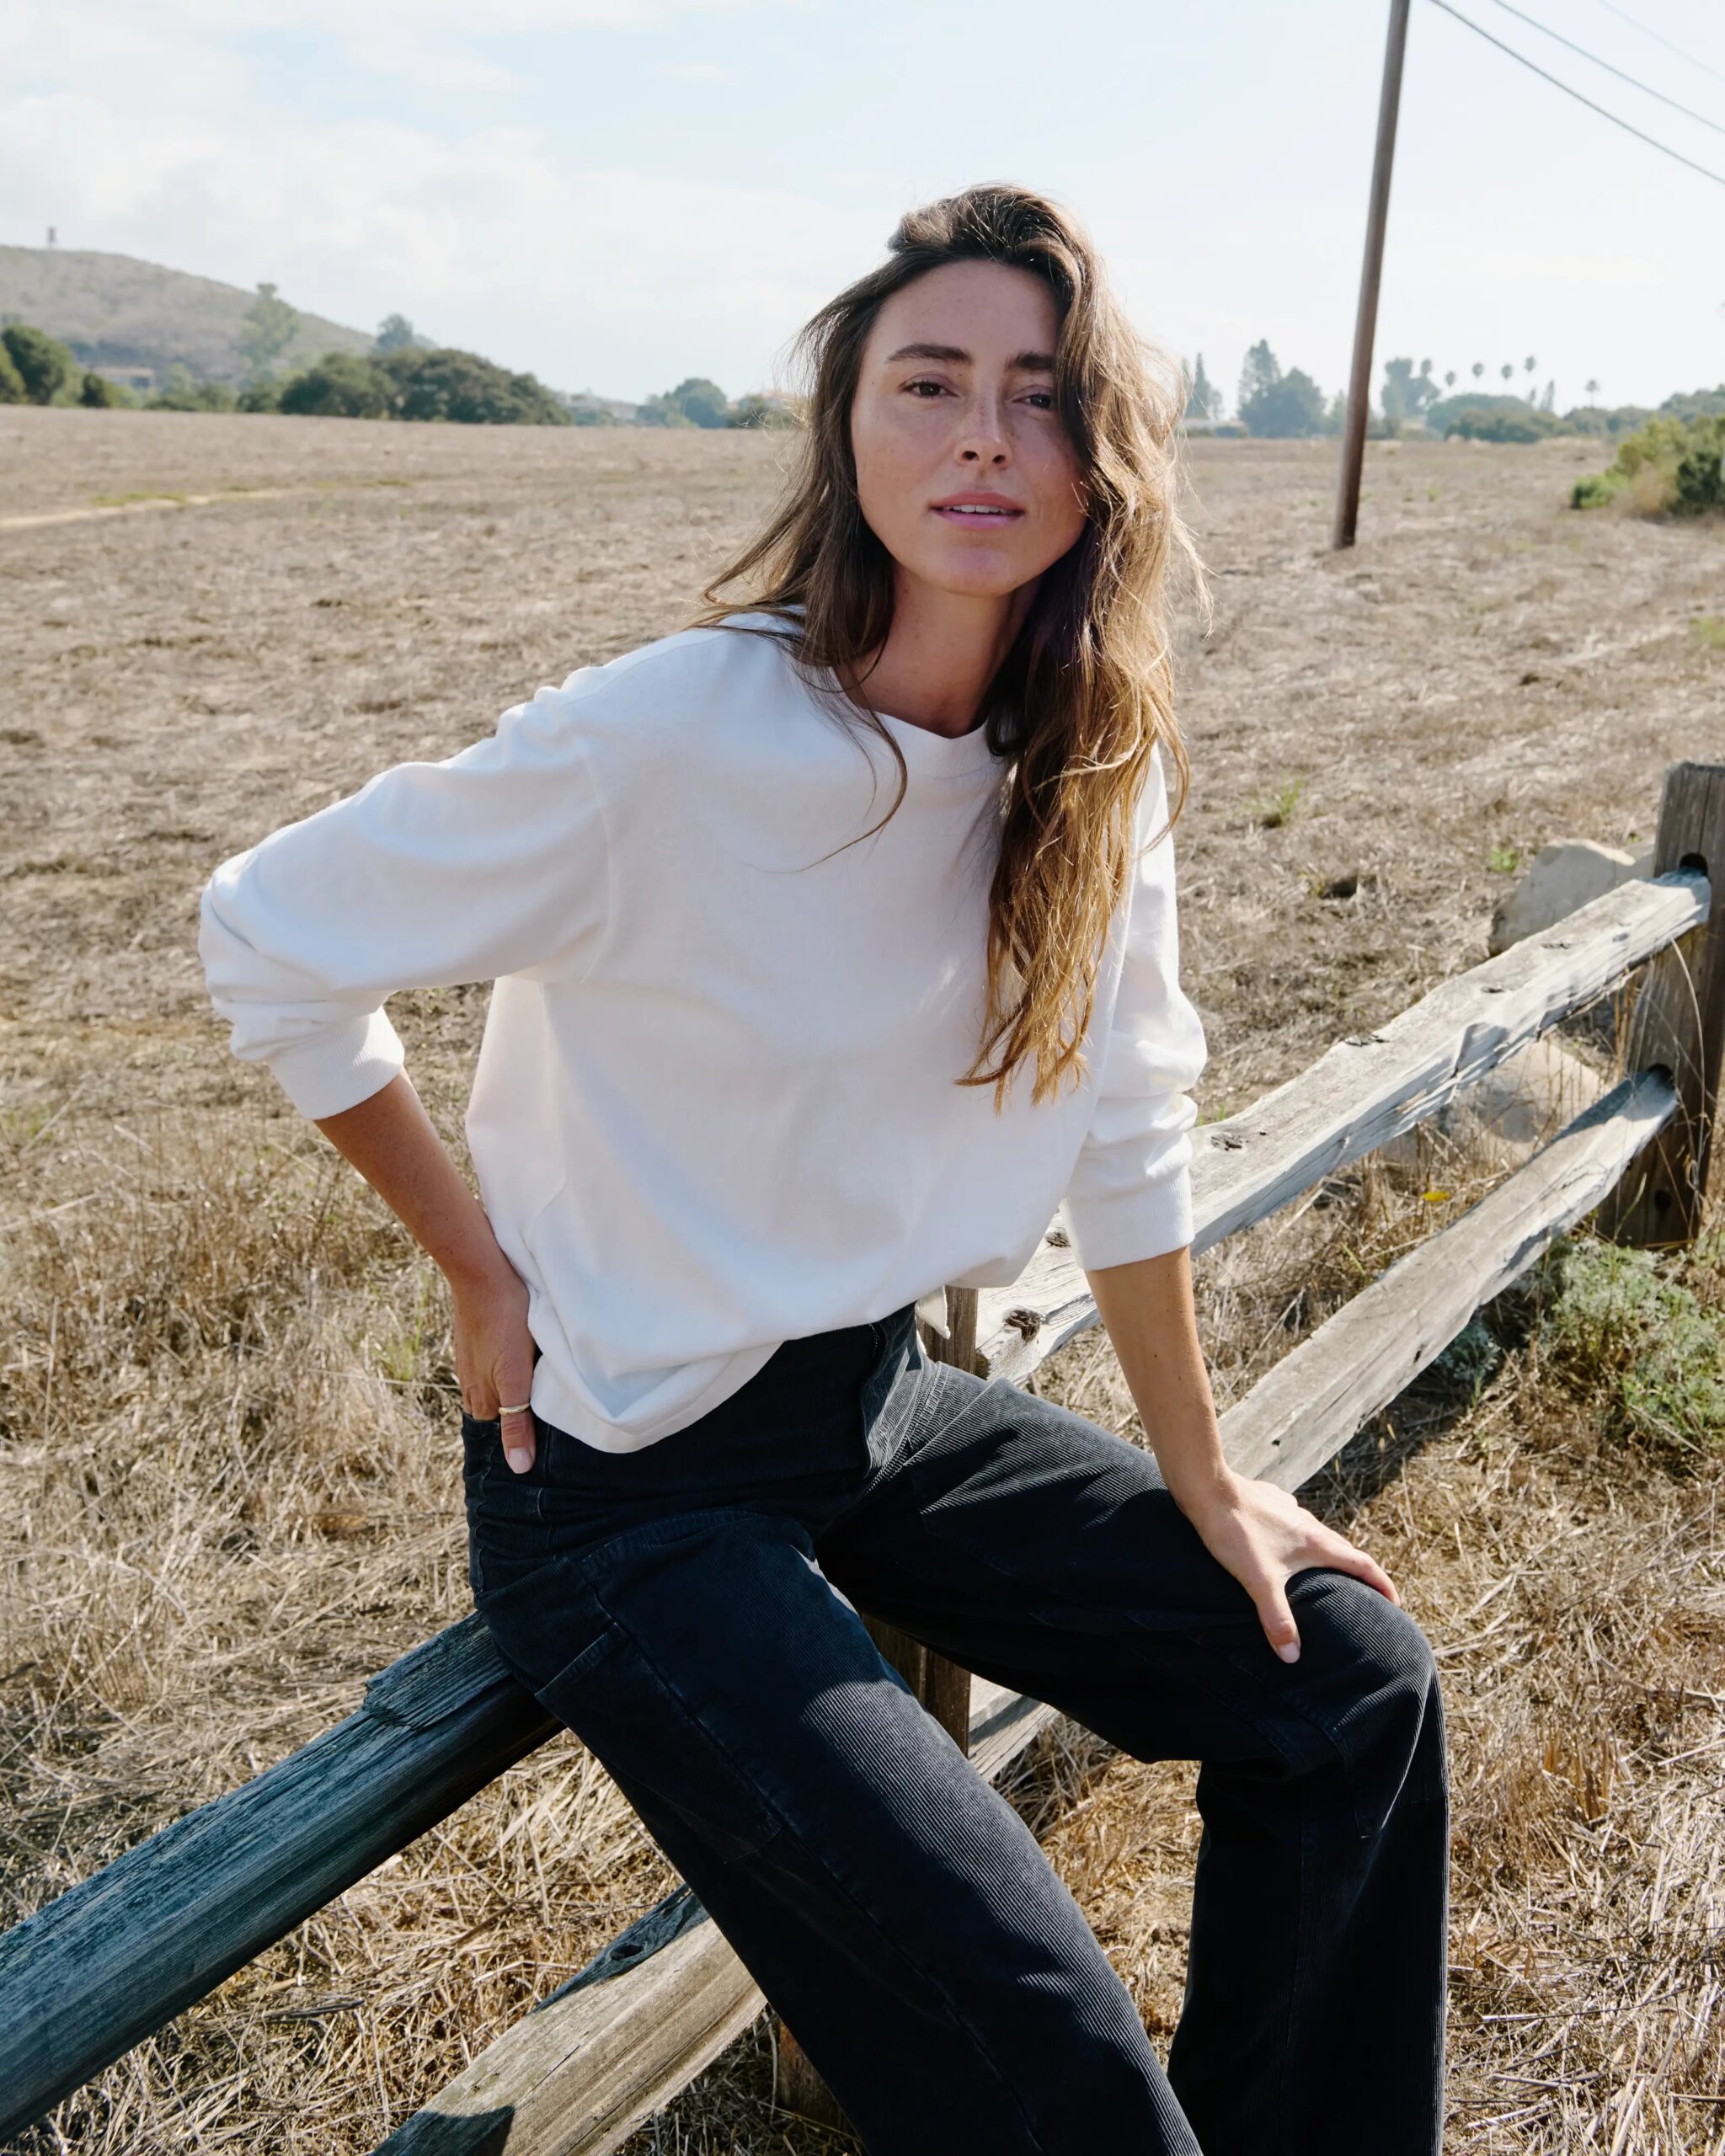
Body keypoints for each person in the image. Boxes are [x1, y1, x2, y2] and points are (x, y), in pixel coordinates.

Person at [198, 183, 1448, 2155]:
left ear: (1102, 452)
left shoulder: (1090, 755)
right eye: (927, 383)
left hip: (870, 1403)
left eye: (1039, 395)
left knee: (1351, 1678)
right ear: (845, 428)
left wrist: (1204, 1473)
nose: (982, 437)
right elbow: (267, 933)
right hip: (623, 1483)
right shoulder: (667, 739)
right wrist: (474, 1260)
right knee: (1045, 2049)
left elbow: (1130, 1118)